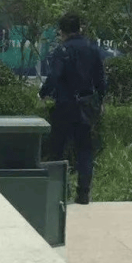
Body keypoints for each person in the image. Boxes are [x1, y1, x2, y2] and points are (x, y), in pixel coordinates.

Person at [39, 12, 106, 205]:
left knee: (58, 149)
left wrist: (43, 93)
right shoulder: (92, 49)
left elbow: (54, 76)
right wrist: (100, 100)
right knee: (84, 149)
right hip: (86, 105)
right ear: (80, 28)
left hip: (65, 105)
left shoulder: (62, 51)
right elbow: (101, 79)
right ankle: (83, 193)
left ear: (62, 31)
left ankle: (59, 192)